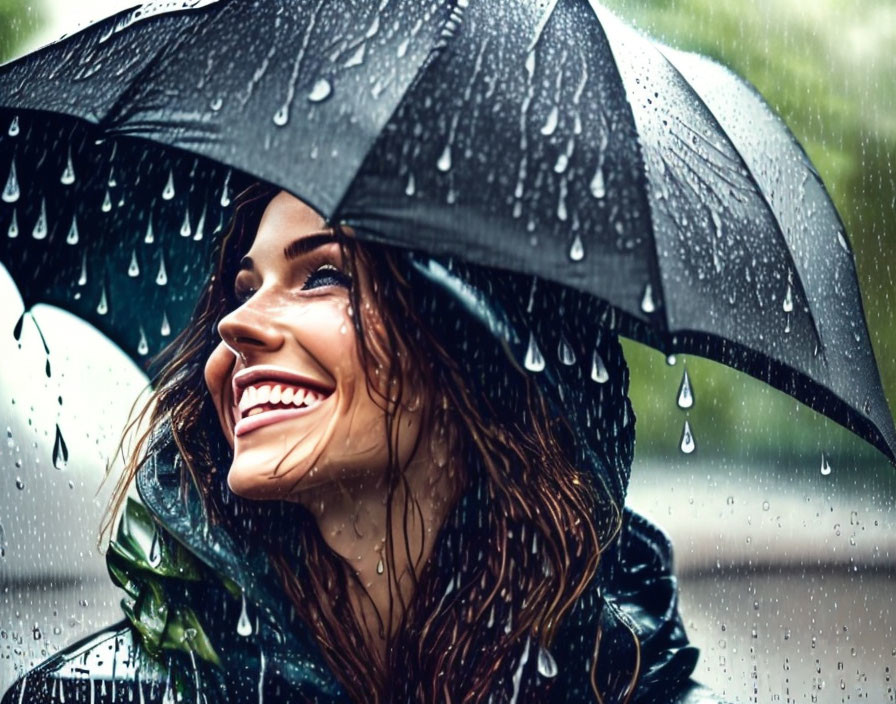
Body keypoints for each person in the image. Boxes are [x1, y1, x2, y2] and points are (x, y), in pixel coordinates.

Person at [2, 184, 731, 703]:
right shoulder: (87, 696)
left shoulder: (644, 686)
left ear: (475, 347)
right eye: (243, 287)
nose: (235, 326)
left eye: (323, 276)